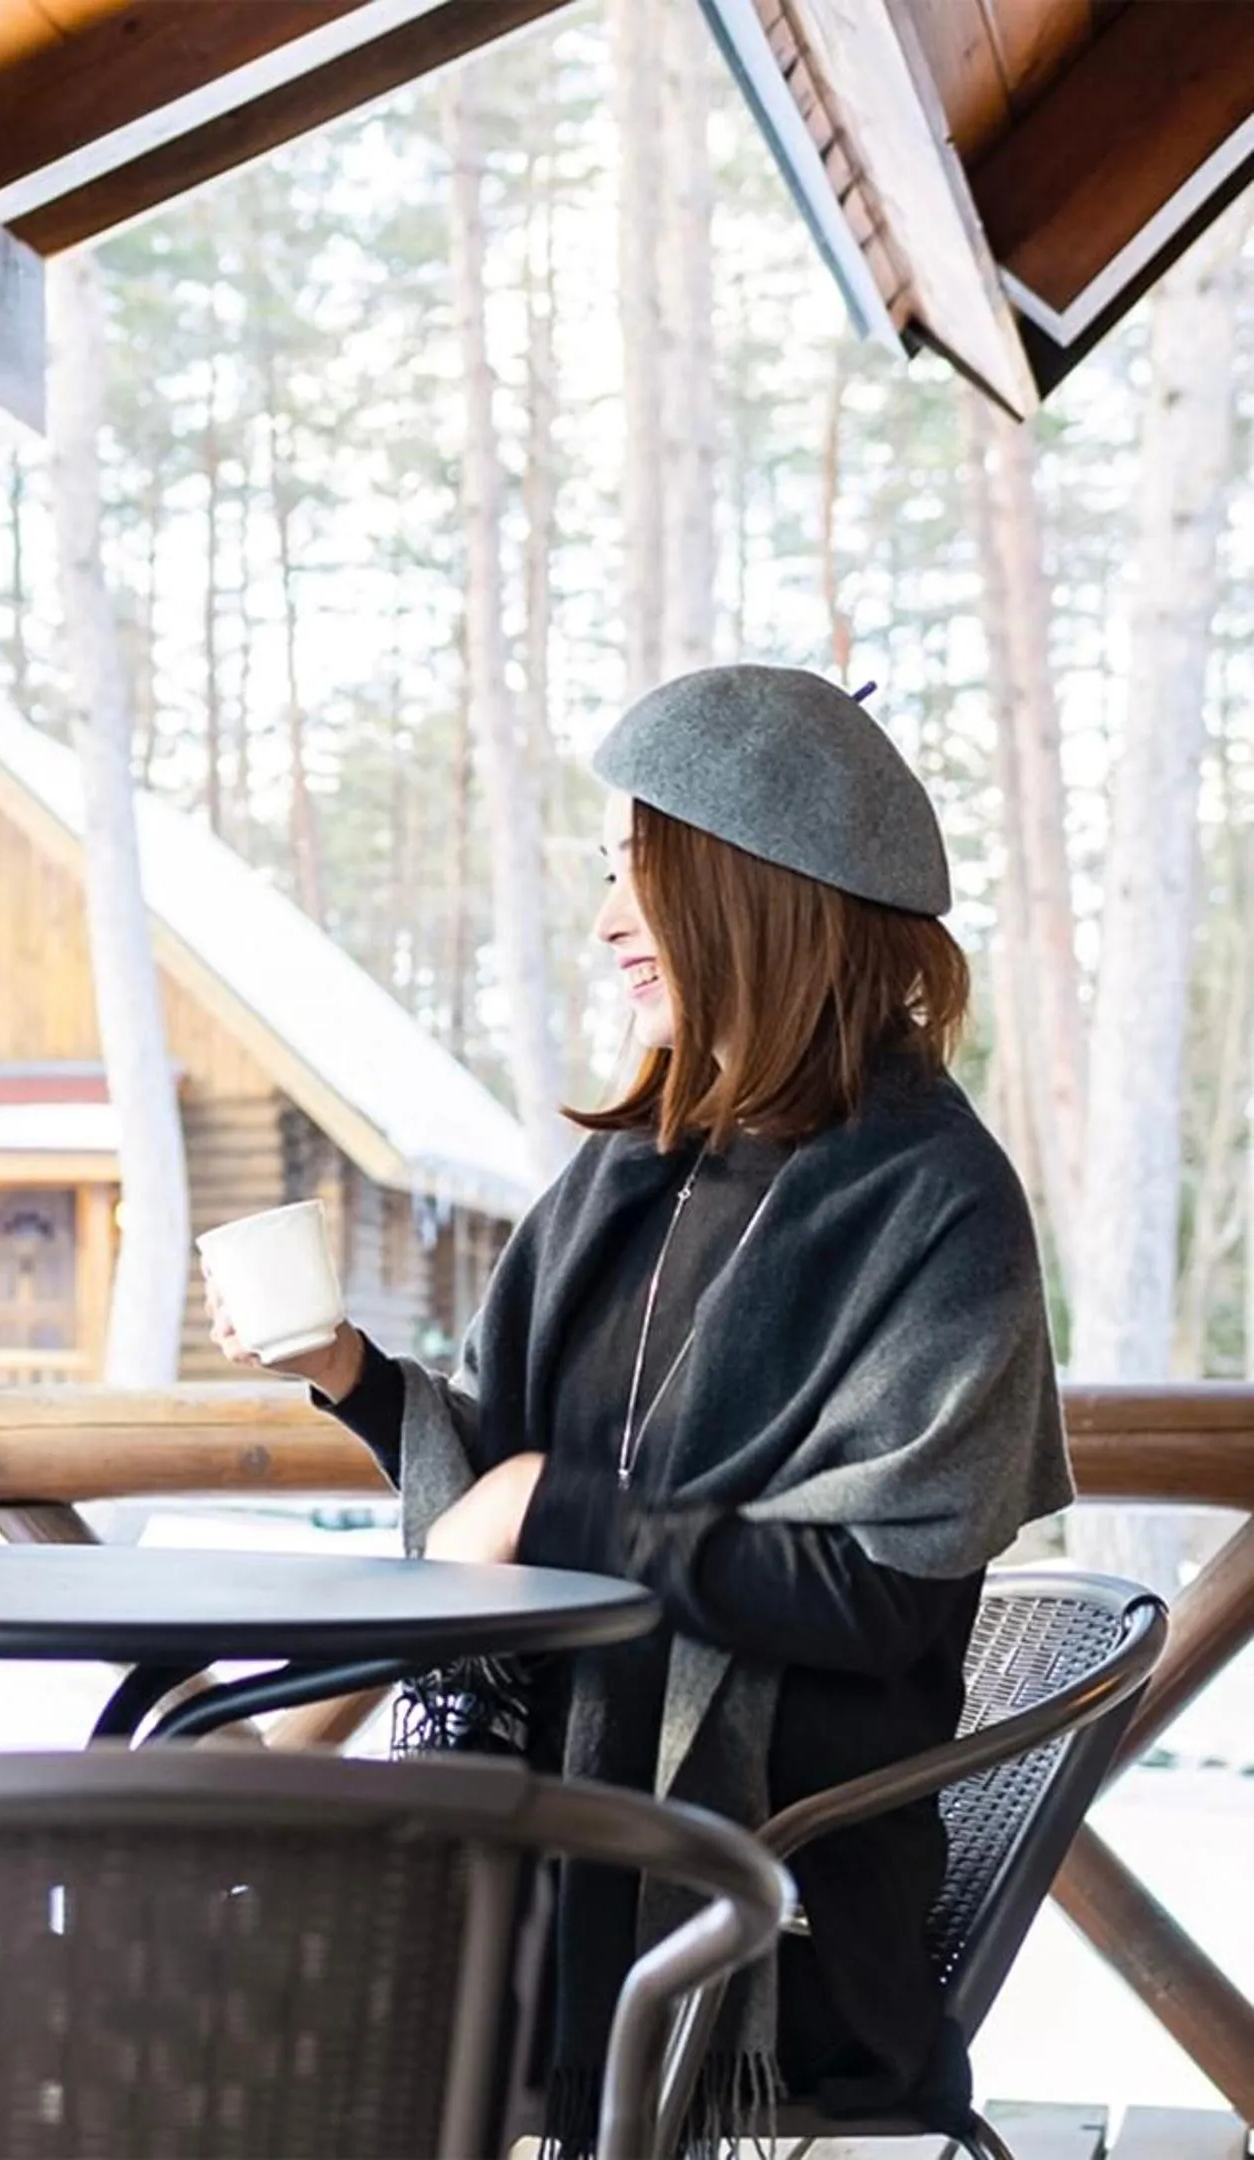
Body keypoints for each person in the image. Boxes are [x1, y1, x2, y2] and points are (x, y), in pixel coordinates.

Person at [214, 666, 1072, 2141]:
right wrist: (350, 1374)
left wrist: (560, 1507)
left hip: (755, 1914)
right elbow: (508, 1468)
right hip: (551, 1851)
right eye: (607, 876)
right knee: (193, 1955)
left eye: (643, 875)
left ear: (761, 896)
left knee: (243, 1992)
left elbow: (878, 1598)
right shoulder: (637, 1172)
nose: (610, 921)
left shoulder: (938, 1202)